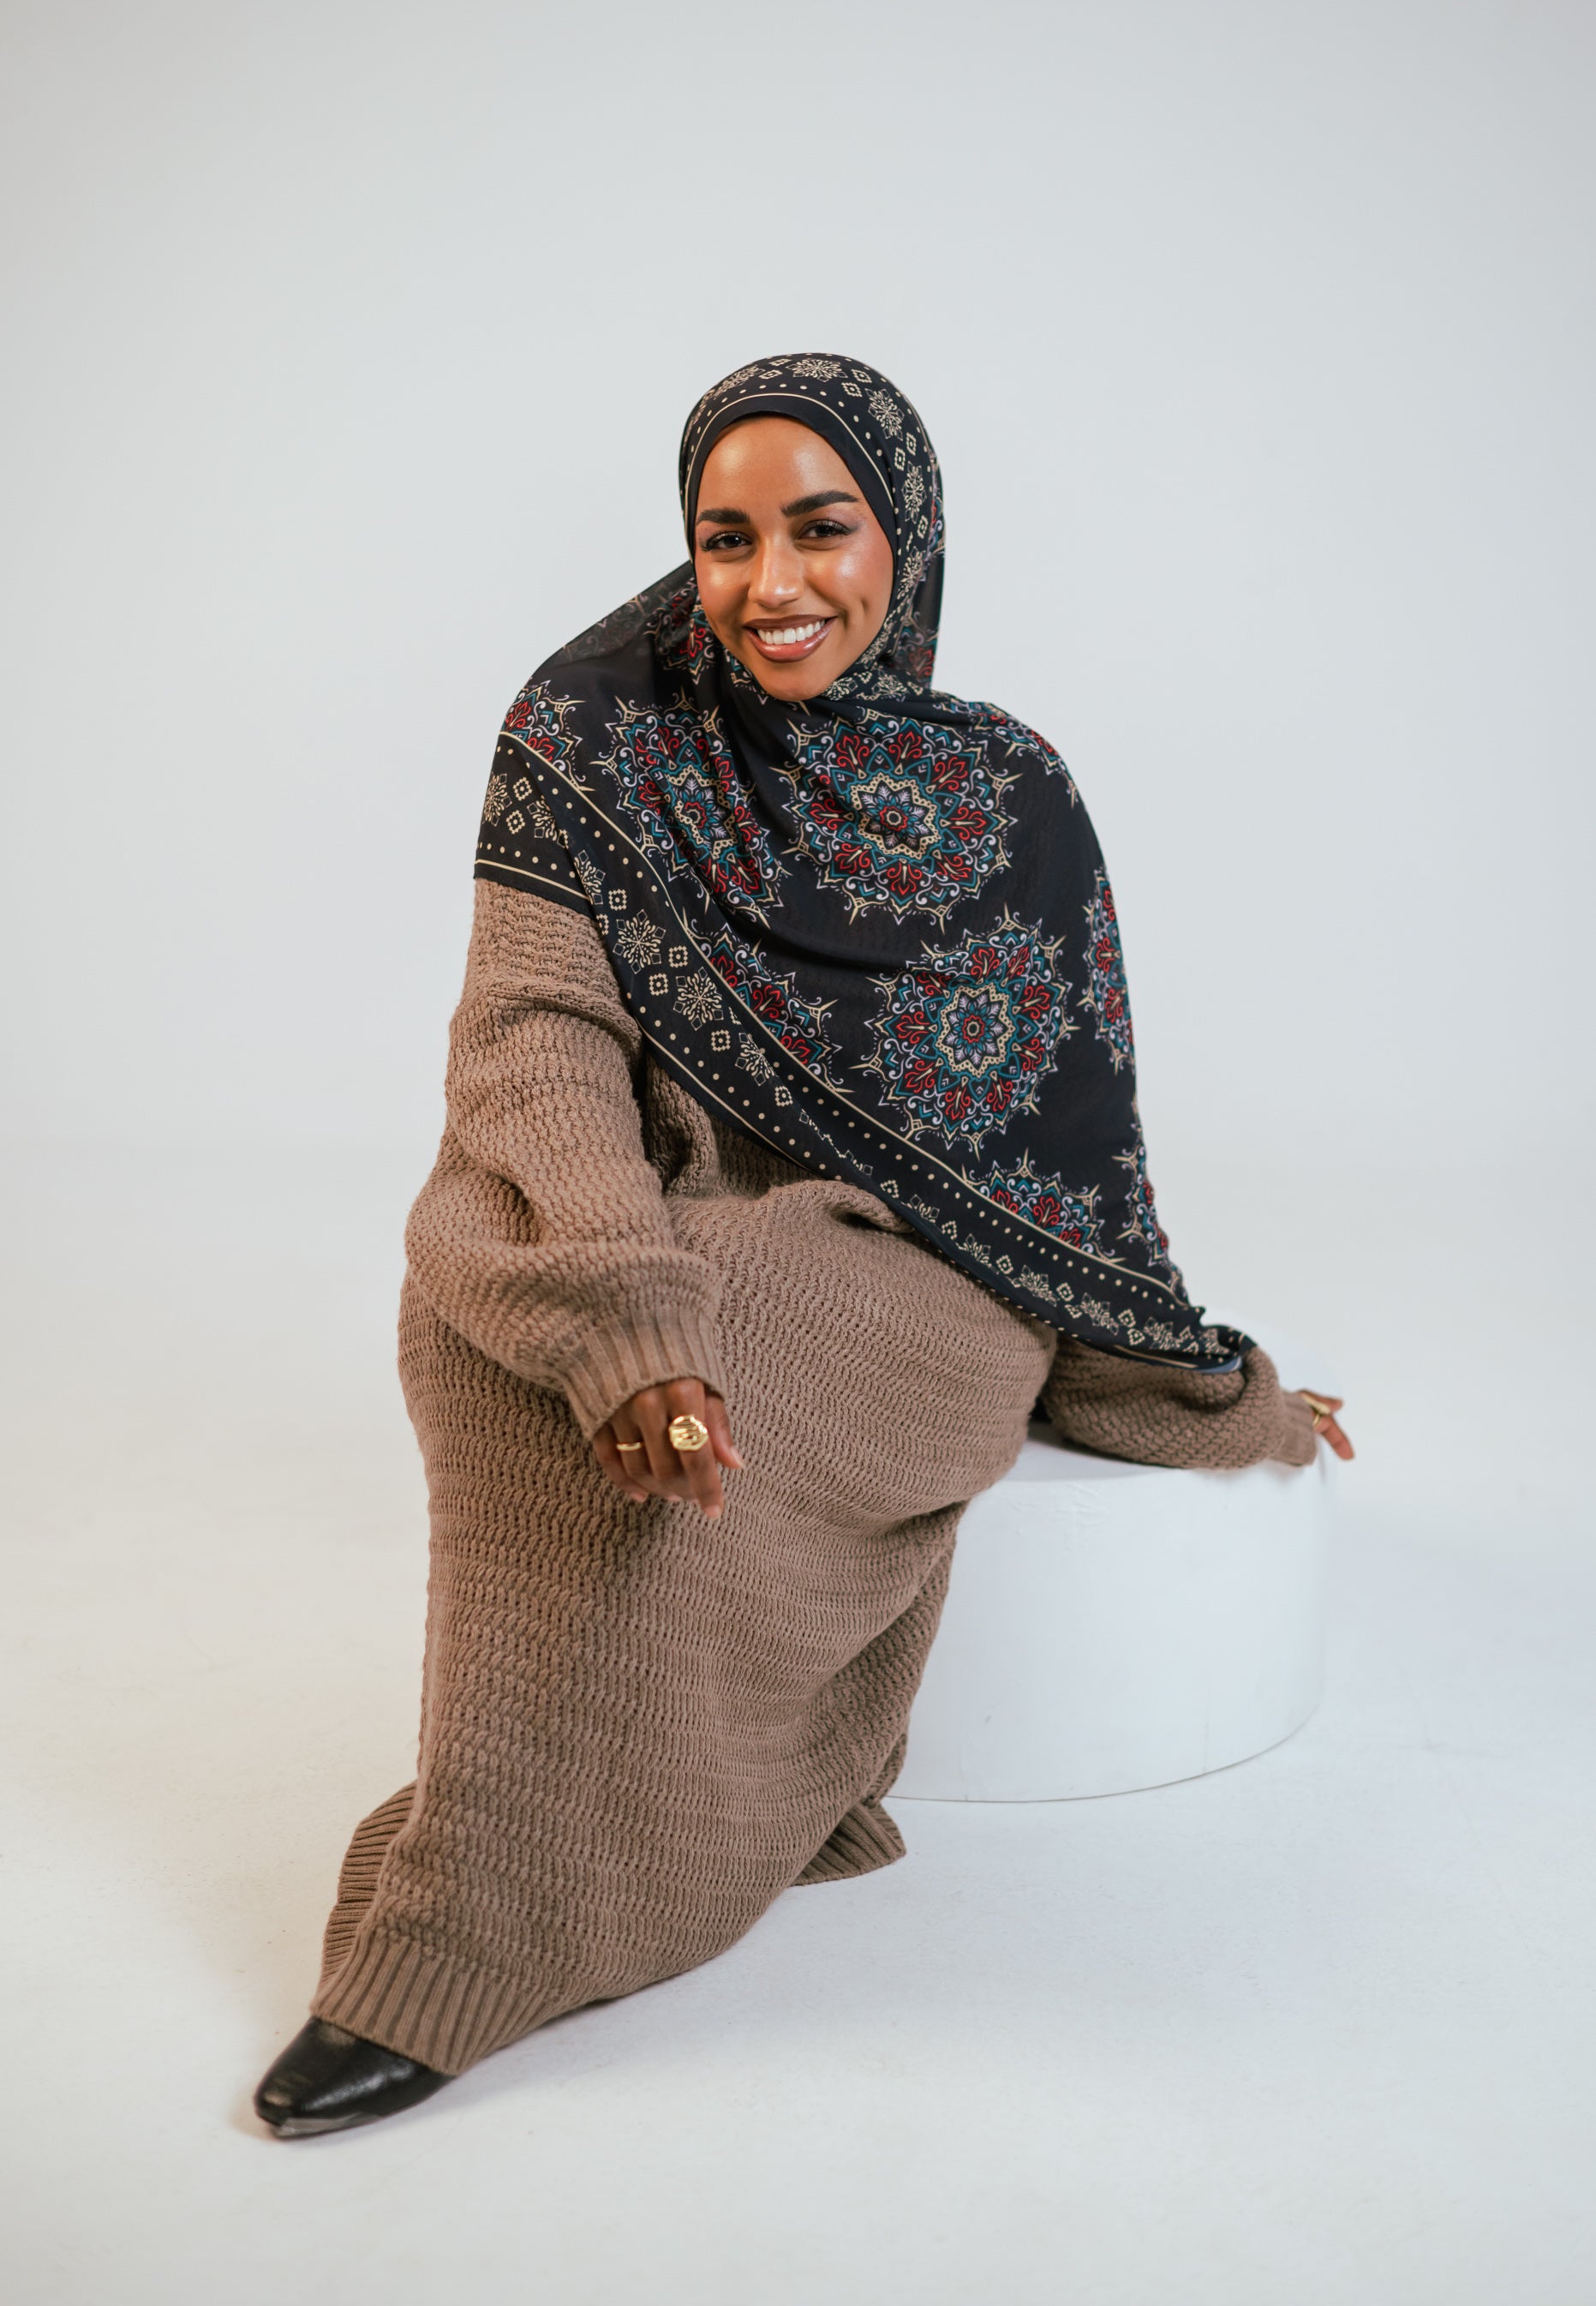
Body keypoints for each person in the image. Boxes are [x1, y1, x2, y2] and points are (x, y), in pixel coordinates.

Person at [254, 353, 1352, 2139]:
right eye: (724, 536)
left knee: (743, 1324)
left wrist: (1217, 1386)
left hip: (921, 1276)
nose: (774, 582)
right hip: (659, 1209)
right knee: (479, 1277)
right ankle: (550, 1820)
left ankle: (476, 1935)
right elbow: (532, 1031)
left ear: (900, 538)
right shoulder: (592, 730)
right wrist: (620, 1303)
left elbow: (1065, 1165)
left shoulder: (1007, 795)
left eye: (820, 527)